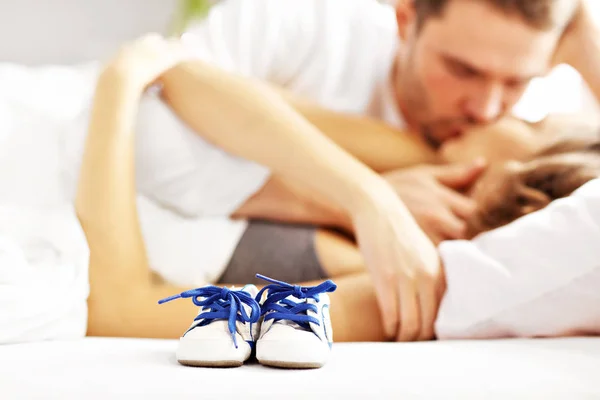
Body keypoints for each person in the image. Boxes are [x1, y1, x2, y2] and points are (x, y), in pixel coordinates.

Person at [77, 34, 600, 343]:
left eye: (534, 123)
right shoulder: (419, 157)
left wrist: (117, 82)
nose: (492, 108)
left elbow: (120, 311)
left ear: (520, 183)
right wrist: (371, 198)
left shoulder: (381, 277)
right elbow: (186, 75)